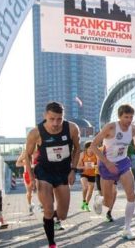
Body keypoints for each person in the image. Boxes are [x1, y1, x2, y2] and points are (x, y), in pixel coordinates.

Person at [24, 102, 81, 248]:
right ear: (45, 116)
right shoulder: (35, 132)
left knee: (62, 215)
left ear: (63, 117)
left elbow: (77, 149)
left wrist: (73, 170)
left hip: (63, 172)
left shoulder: (72, 128)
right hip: (44, 173)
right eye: (52, 119)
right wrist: (31, 178)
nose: (55, 123)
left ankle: (49, 219)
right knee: (48, 209)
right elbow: (27, 155)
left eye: (59, 119)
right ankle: (52, 243)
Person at [91, 104, 135, 241]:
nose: (129, 120)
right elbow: (93, 145)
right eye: (126, 117)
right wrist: (107, 163)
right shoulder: (110, 127)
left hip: (123, 163)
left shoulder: (134, 128)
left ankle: (127, 229)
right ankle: (99, 199)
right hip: (106, 163)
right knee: (108, 202)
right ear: (119, 117)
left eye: (131, 117)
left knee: (131, 195)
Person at [76, 141, 97, 211]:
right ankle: (84, 201)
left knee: (90, 191)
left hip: (93, 174)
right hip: (84, 173)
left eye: (93, 147)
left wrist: (94, 166)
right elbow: (78, 166)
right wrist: (84, 167)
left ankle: (86, 205)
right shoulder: (82, 154)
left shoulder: (96, 154)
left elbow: (99, 165)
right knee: (85, 187)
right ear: (86, 148)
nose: (91, 149)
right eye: (90, 148)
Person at [15, 149, 39, 214]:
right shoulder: (25, 152)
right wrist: (26, 163)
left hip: (38, 173)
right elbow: (17, 164)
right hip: (27, 174)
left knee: (41, 190)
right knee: (29, 192)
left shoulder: (40, 151)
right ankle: (30, 205)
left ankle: (43, 205)